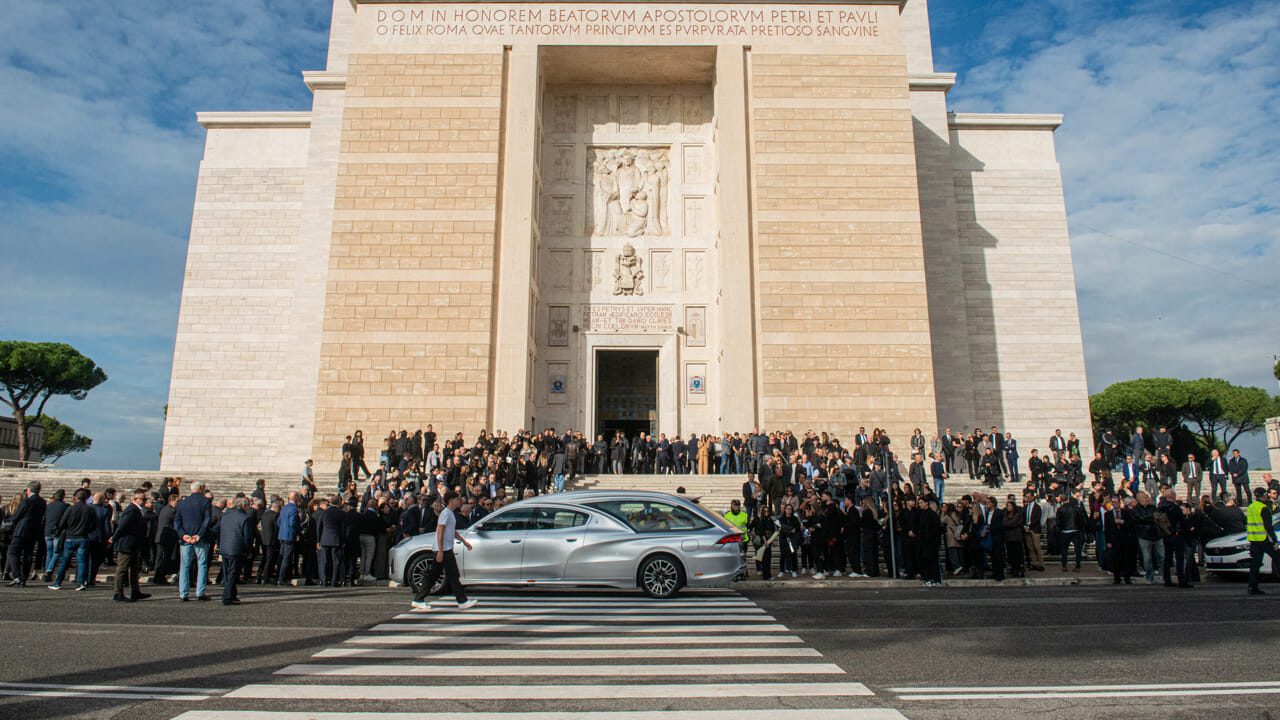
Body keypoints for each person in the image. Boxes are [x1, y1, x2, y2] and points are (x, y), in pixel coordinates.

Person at [409, 491, 477, 611]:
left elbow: (452, 531)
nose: (459, 501)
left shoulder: (450, 513)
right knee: (453, 575)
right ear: (451, 501)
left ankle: (418, 599)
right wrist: (440, 550)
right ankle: (462, 601)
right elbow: (440, 531)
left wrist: (464, 542)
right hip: (443, 549)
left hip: (445, 548)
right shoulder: (446, 513)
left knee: (435, 575)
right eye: (457, 499)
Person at [108, 489, 151, 602]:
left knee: (134, 569)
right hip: (126, 544)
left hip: (134, 544)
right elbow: (122, 526)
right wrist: (113, 538)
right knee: (122, 569)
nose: (145, 501)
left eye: (145, 499)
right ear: (135, 499)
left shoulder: (137, 510)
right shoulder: (131, 510)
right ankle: (118, 593)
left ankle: (135, 592)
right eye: (143, 499)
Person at [49, 489, 97, 591]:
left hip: (70, 537)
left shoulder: (71, 509)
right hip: (83, 537)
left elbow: (62, 523)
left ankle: (58, 582)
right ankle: (81, 583)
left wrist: (64, 529)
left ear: (75, 498)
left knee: (65, 561)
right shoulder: (89, 509)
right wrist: (87, 530)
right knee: (82, 561)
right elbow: (94, 525)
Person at [174, 481, 213, 602]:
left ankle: (183, 593)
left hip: (186, 538)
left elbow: (177, 521)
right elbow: (207, 520)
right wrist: (199, 534)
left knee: (184, 565)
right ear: (201, 488)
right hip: (199, 538)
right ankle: (200, 592)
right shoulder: (205, 501)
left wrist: (183, 535)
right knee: (202, 564)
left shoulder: (182, 502)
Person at [5, 481, 45, 587]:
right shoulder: (42, 502)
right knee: (28, 554)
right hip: (34, 531)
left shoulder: (27, 501)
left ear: (28, 490)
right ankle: (24, 577)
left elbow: (18, 515)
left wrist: (10, 521)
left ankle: (17, 576)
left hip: (22, 530)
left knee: (13, 552)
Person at [218, 496, 256, 605]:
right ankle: (227, 597)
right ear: (243, 506)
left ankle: (232, 594)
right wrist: (248, 550)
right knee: (234, 573)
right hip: (237, 548)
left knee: (227, 573)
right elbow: (248, 537)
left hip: (225, 547)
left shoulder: (225, 515)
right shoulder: (245, 518)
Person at [1246, 487, 1280, 595]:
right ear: (1264, 495)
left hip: (1254, 539)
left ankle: (1252, 586)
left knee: (1255, 564)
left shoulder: (1251, 507)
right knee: (1278, 559)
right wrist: (1274, 541)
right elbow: (1268, 527)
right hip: (1264, 539)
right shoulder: (1263, 508)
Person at [316, 495, 346, 587]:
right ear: (339, 503)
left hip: (325, 539)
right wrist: (343, 540)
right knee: (335, 561)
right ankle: (334, 580)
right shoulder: (341, 513)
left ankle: (324, 580)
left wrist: (318, 540)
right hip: (336, 539)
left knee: (324, 561)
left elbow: (319, 527)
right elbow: (343, 528)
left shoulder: (324, 513)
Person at [276, 491, 301, 585]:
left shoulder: (284, 508)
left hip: (282, 535)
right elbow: (293, 523)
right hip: (289, 536)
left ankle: (279, 575)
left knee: (281, 556)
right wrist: (296, 533)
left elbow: (279, 521)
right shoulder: (294, 509)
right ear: (296, 498)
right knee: (287, 557)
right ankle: (282, 578)